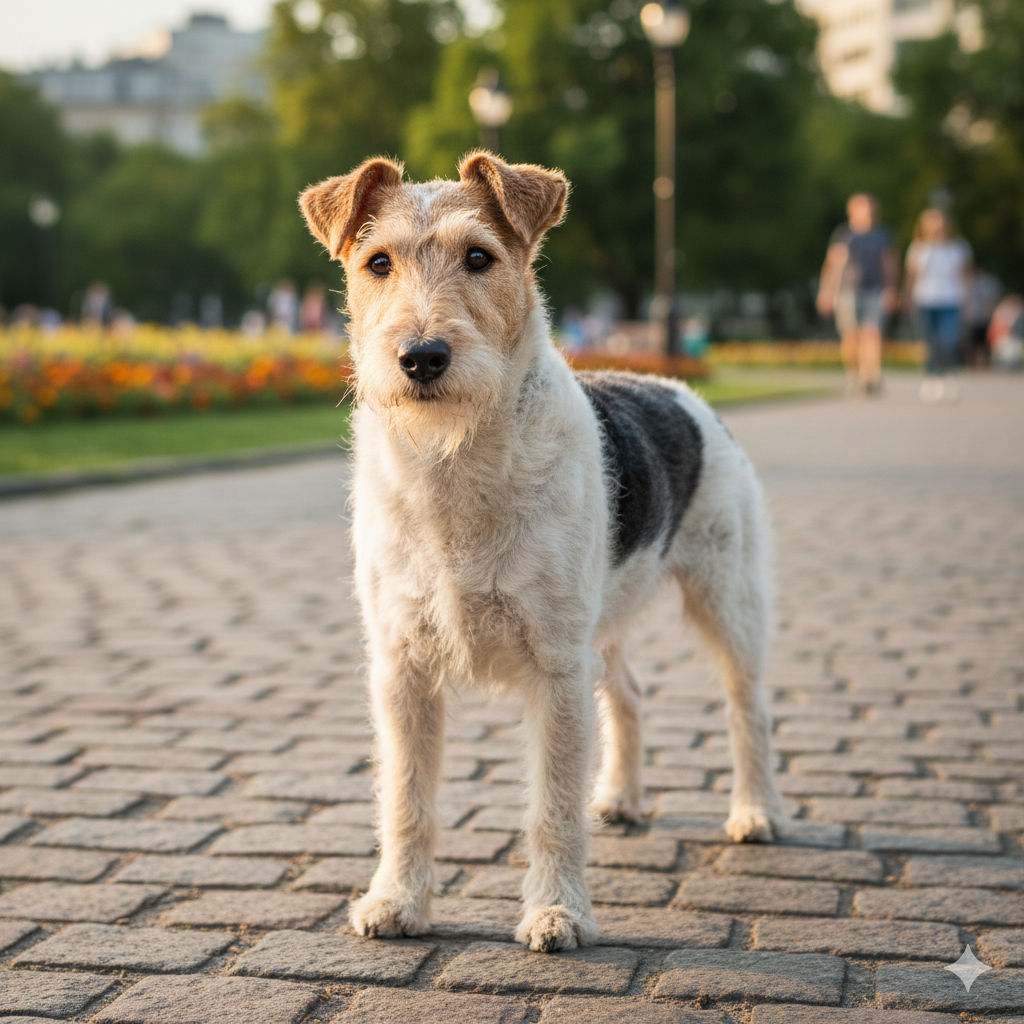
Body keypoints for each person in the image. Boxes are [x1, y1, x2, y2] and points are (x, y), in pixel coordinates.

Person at [817, 194, 899, 394]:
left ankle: (871, 375)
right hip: (847, 290)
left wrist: (892, 288)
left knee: (873, 332)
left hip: (874, 289)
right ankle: (854, 374)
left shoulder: (882, 235)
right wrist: (826, 290)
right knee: (851, 335)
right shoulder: (844, 234)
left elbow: (889, 263)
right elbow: (832, 264)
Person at [904, 209, 973, 401]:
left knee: (948, 341)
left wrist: (968, 299)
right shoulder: (918, 248)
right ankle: (931, 377)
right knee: (930, 343)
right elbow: (911, 276)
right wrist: (907, 297)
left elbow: (965, 275)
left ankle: (948, 375)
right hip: (925, 300)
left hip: (951, 300)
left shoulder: (958, 247)